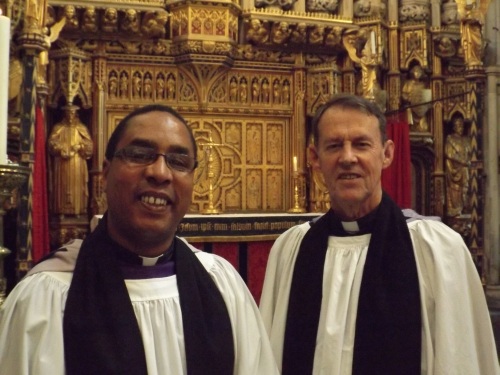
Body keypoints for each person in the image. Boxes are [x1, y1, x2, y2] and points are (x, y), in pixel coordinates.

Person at [0, 104, 279, 375]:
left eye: (179, 162)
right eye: (139, 154)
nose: (159, 172)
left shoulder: (222, 285)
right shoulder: (46, 296)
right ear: (105, 173)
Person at [259, 94, 500, 375]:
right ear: (315, 157)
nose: (348, 158)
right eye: (335, 145)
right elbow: (268, 360)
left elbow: (460, 358)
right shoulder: (292, 249)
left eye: (361, 144)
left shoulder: (436, 250)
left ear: (386, 154)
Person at [48, 105, 93, 216]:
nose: (70, 116)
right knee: (62, 185)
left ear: (76, 114)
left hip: (77, 162)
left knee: (77, 186)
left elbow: (90, 145)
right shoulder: (58, 127)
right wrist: (60, 149)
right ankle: (60, 210)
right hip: (62, 162)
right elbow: (51, 142)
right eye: (68, 113)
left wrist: (80, 147)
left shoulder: (81, 128)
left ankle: (79, 209)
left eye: (72, 113)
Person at [445, 114, 472, 217]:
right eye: (458, 126)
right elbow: (449, 154)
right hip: (456, 170)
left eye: (462, 125)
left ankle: (467, 208)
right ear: (454, 127)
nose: (460, 128)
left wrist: (467, 161)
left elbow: (470, 153)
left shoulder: (466, 139)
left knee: (467, 189)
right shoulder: (450, 139)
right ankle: (456, 209)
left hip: (466, 169)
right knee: (456, 190)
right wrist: (462, 161)